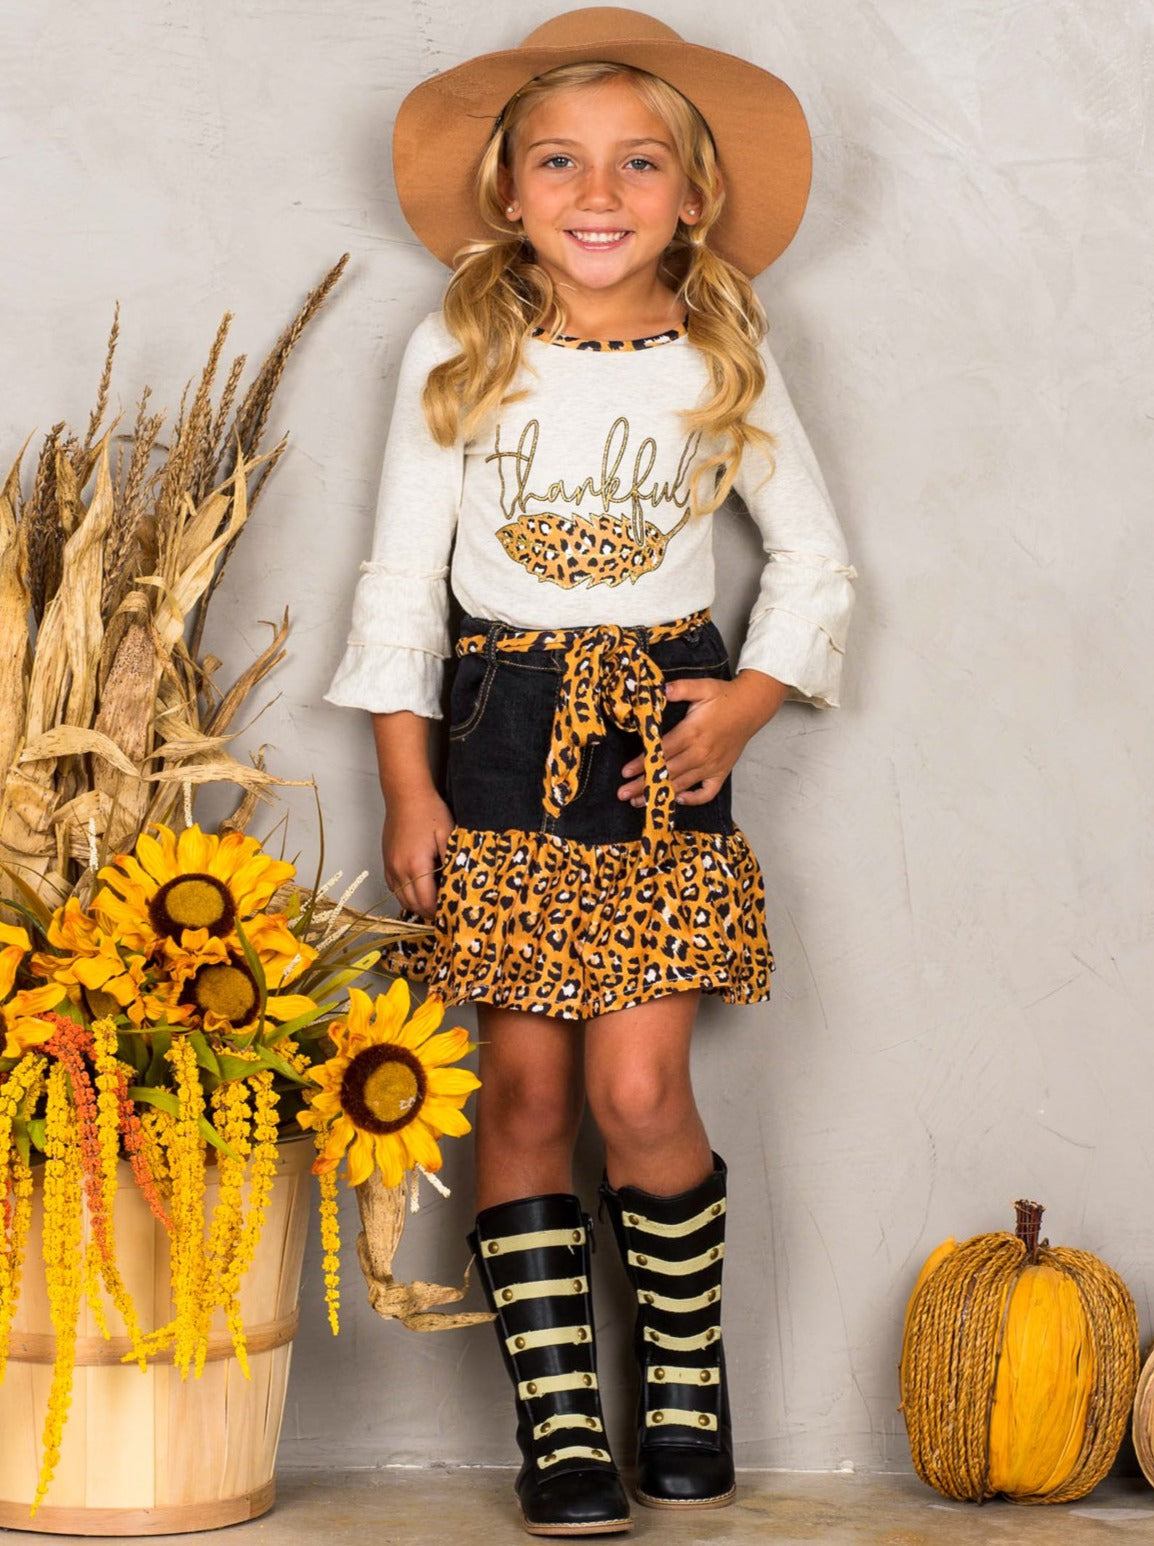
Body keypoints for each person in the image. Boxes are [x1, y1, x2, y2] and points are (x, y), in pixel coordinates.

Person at [326, 9, 855, 1536]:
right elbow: (399, 584)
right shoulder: (456, 347)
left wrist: (743, 706)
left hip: (650, 748)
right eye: (558, 162)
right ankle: (558, 1423)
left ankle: (681, 1380)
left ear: (690, 196)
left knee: (636, 1087)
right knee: (524, 1087)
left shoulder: (720, 350)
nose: (597, 191)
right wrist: (409, 785)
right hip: (493, 731)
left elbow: (815, 561)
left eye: (636, 163)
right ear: (508, 192)